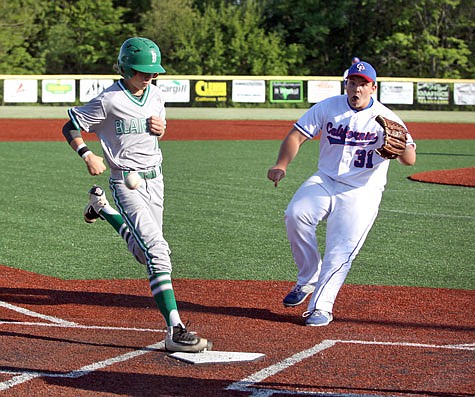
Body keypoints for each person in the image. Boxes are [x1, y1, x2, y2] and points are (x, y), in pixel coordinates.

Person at [61, 37, 212, 352]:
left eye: (153, 71)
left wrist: (160, 128)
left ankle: (102, 209)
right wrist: (87, 154)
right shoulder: (108, 100)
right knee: (158, 250)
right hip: (125, 181)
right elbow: (70, 126)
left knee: (146, 255)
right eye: (143, 71)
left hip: (156, 179)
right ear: (125, 67)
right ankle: (175, 329)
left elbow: (159, 127)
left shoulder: (156, 94)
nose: (149, 76)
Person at [267, 61, 416, 327]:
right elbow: (296, 136)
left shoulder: (388, 118)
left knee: (341, 249)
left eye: (362, 84)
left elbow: (410, 160)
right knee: (295, 214)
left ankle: (321, 307)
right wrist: (281, 164)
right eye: (352, 82)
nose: (356, 88)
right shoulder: (328, 106)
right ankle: (308, 277)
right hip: (325, 179)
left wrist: (400, 147)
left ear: (373, 87)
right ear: (346, 84)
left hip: (362, 191)